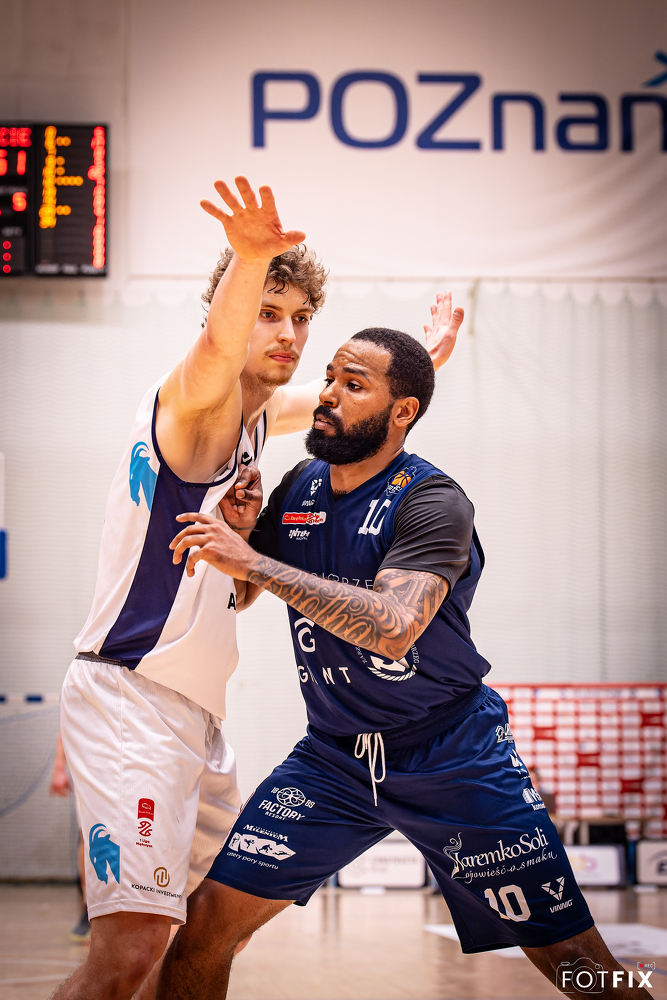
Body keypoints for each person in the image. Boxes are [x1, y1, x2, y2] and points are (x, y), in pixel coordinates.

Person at [55, 176, 463, 1000]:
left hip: (193, 713)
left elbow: (337, 403)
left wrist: (423, 366)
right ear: (231, 310)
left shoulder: (257, 413)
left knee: (205, 935)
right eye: (268, 312)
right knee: (129, 955)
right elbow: (216, 348)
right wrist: (248, 260)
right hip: (133, 698)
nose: (287, 333)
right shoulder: (195, 402)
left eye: (300, 317)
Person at [161, 328, 653, 1000]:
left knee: (573, 956)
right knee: (204, 929)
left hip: (452, 756)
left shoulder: (432, 501)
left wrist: (251, 559)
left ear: (402, 412)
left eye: (352, 385)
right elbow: (248, 590)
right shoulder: (301, 485)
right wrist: (246, 535)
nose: (327, 394)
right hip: (334, 760)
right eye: (329, 377)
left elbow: (392, 629)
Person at [50, 732, 90, 941]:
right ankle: (89, 908)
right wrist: (59, 767)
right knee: (89, 837)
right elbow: (65, 724)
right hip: (91, 768)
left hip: (131, 764)